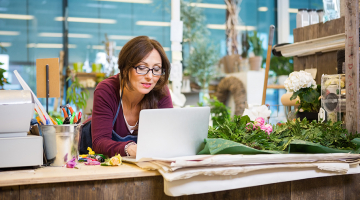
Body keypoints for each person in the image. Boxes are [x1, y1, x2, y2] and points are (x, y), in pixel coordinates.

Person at [91, 36, 173, 157]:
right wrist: (129, 148)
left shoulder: (160, 91)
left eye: (156, 69)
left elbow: (169, 136)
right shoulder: (107, 90)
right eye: (141, 68)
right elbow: (99, 142)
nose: (150, 76)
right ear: (125, 69)